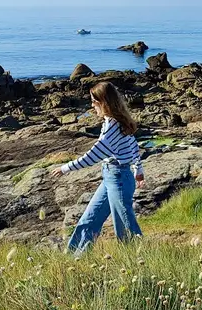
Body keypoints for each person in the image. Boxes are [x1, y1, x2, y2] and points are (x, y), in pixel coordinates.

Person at [49, 82, 144, 253]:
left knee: (125, 224)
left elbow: (92, 156)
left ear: (104, 102)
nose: (92, 105)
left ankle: (139, 258)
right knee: (89, 219)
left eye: (94, 101)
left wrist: (65, 168)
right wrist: (138, 170)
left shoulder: (113, 127)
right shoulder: (113, 122)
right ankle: (74, 258)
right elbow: (133, 146)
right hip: (111, 177)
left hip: (119, 179)